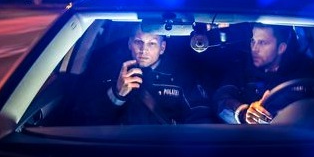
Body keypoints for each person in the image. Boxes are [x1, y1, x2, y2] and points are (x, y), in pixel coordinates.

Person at [74, 23, 211, 125]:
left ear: (162, 48)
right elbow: (88, 117)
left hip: (166, 148)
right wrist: (117, 94)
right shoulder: (108, 72)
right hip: (119, 146)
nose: (143, 50)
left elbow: (201, 115)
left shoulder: (181, 76)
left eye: (152, 43)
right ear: (129, 44)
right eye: (138, 42)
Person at [213, 23, 314, 125]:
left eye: (262, 43)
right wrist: (243, 112)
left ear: (281, 48)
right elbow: (222, 98)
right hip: (250, 137)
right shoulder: (241, 67)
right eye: (253, 41)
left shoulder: (305, 72)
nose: (254, 49)